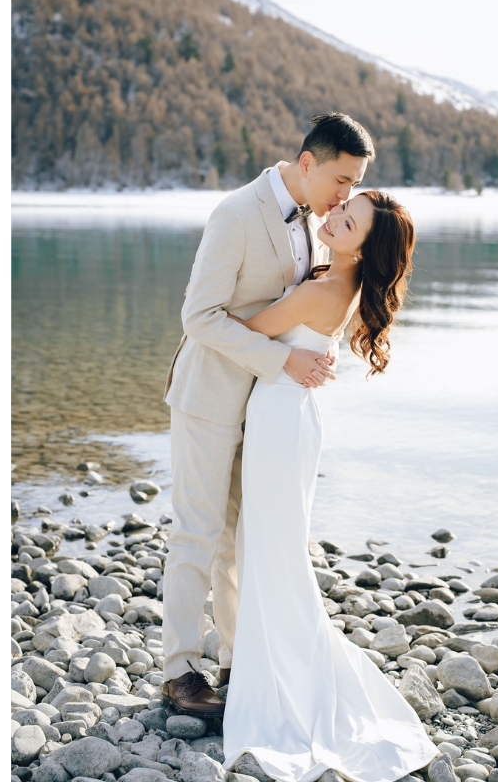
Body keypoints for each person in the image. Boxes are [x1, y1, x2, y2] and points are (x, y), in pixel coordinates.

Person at [220, 189, 439, 782]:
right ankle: (271, 664)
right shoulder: (333, 282)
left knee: (272, 553)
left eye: (350, 222)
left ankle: (282, 681)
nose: (334, 218)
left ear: (365, 246)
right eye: (343, 210)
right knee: (273, 551)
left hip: (281, 419)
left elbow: (239, 328)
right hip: (291, 416)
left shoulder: (320, 289)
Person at [161, 113, 375, 717]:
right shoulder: (235, 214)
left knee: (240, 538)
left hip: (263, 407)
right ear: (307, 163)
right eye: (341, 180)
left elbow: (308, 300)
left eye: (354, 185)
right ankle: (178, 670)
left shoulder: (317, 220)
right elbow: (198, 318)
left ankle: (238, 656)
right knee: (196, 532)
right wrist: (283, 360)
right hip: (208, 398)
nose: (345, 196)